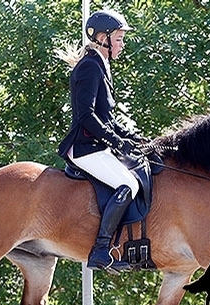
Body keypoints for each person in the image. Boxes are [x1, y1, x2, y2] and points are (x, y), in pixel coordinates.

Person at [56, 10, 146, 271]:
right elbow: (86, 116)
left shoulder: (99, 66)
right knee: (128, 184)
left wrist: (129, 137)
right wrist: (116, 142)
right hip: (85, 148)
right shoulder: (89, 68)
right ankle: (100, 250)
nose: (122, 45)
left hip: (97, 145)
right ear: (102, 38)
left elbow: (106, 118)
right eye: (118, 39)